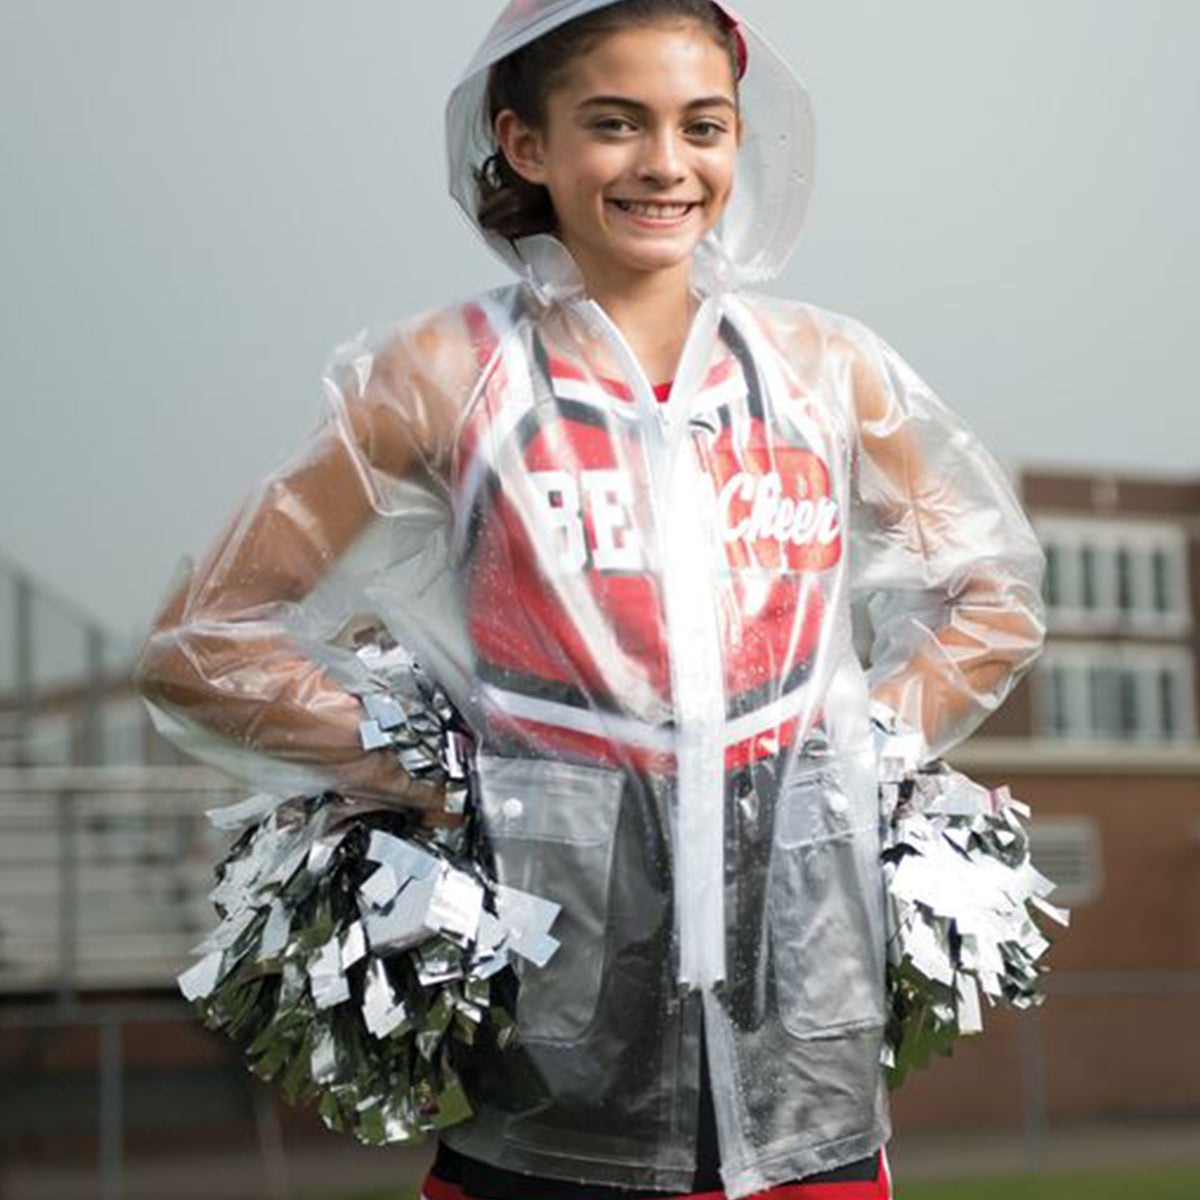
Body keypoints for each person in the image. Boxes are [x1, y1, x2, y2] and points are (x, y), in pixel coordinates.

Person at [135, 2, 1046, 1198]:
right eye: (615, 125)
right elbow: (200, 644)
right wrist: (443, 773)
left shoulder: (828, 372)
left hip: (808, 1098)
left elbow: (995, 592)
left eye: (702, 127)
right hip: (549, 1087)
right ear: (525, 143)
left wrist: (857, 752)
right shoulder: (442, 374)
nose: (666, 164)